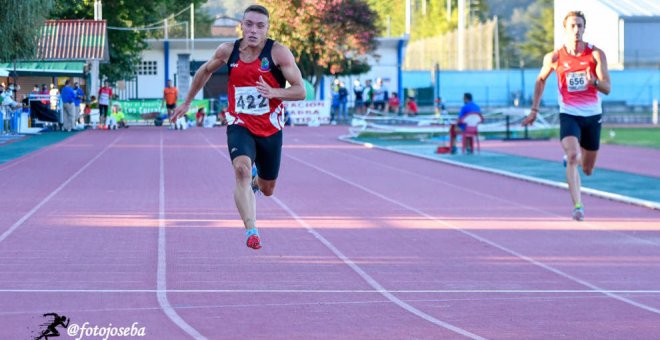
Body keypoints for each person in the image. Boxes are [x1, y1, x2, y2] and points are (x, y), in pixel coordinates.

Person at [171, 4, 306, 250]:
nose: (254, 30)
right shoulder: (228, 51)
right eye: (249, 24)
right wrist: (187, 101)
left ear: (267, 29)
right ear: (241, 25)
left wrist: (274, 92)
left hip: (270, 129)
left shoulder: (278, 53)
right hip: (239, 123)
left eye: (260, 26)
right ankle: (251, 230)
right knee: (242, 170)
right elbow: (204, 71)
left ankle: (257, 183)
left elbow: (300, 91)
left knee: (268, 189)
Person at [522, 11, 611, 221]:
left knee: (587, 169)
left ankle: (577, 162)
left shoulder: (596, 54)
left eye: (580, 26)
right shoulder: (554, 57)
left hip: (592, 116)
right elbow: (540, 80)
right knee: (573, 157)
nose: (576, 30)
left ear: (584, 28)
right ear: (565, 29)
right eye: (572, 26)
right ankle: (578, 206)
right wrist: (535, 109)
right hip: (569, 115)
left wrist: (593, 82)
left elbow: (607, 87)